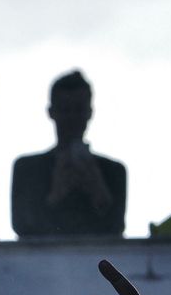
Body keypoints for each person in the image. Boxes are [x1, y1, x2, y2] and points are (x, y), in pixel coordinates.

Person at [11, 71, 126, 238]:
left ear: (89, 112)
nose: (72, 117)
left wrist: (98, 191)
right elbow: (22, 227)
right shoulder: (27, 169)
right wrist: (56, 194)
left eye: (78, 109)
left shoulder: (114, 171)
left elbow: (117, 228)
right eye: (65, 109)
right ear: (51, 112)